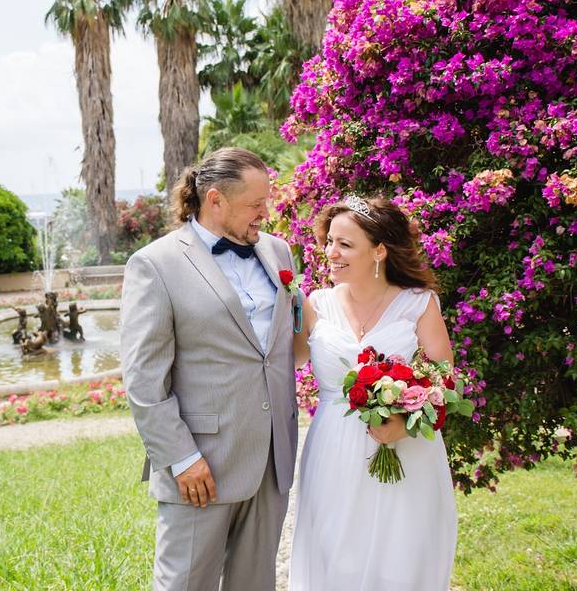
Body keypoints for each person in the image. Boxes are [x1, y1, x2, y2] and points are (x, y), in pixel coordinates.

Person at [121, 147, 301, 591]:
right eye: (255, 205)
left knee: (255, 584)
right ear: (215, 199)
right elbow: (144, 379)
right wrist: (181, 459)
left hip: (273, 458)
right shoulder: (155, 264)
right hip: (202, 466)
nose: (265, 213)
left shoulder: (278, 252)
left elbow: (283, 343)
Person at [288, 195, 457, 591]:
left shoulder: (418, 303)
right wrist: (281, 307)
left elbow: (445, 380)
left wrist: (405, 422)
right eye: (329, 241)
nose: (331, 253)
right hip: (333, 447)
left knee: (400, 555)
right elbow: (289, 361)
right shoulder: (314, 304)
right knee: (335, 553)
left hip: (406, 447)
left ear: (379, 250)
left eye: (345, 244)